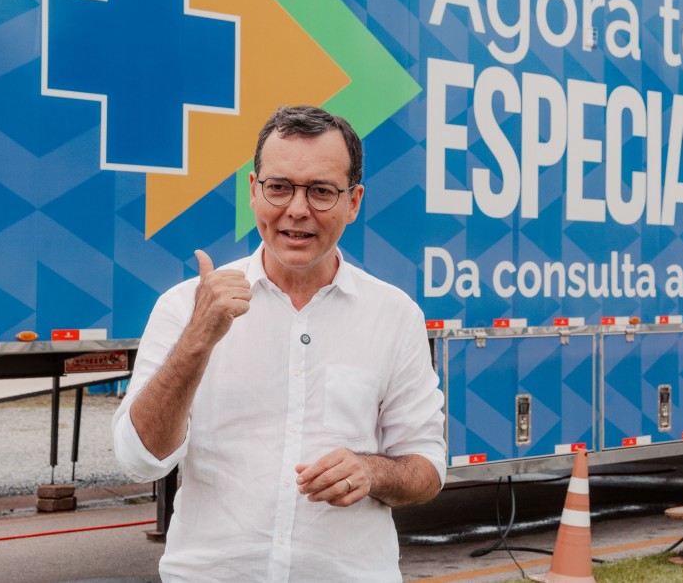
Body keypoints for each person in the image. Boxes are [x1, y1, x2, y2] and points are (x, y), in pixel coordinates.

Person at [112, 105, 446, 582]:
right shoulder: (185, 307)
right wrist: (196, 341)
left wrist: (372, 472)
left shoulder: (394, 315)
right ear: (254, 190)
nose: (297, 209)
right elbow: (138, 459)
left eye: (321, 191)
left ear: (354, 202)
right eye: (280, 187)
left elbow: (427, 469)